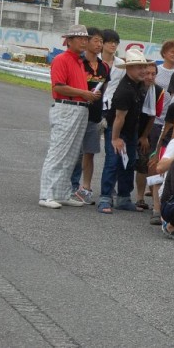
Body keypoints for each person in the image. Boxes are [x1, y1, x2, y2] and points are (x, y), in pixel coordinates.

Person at [39, 25, 99, 210]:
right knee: (58, 152)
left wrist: (86, 94)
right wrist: (84, 93)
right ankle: (47, 194)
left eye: (85, 39)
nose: (83, 41)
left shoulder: (79, 61)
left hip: (80, 107)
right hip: (67, 107)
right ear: (69, 41)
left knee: (72, 155)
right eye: (79, 38)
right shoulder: (61, 59)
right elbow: (58, 86)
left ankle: (62, 193)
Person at [98, 48, 152, 214]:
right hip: (117, 129)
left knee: (128, 164)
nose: (143, 70)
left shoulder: (139, 85)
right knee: (113, 162)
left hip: (131, 130)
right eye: (139, 67)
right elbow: (119, 118)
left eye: (144, 66)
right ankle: (105, 198)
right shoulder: (124, 90)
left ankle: (124, 198)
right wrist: (115, 138)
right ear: (128, 68)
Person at [71, 27, 110, 205]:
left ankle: (86, 188)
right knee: (74, 152)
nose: (99, 44)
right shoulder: (79, 63)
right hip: (77, 112)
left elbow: (105, 89)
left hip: (94, 115)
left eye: (101, 41)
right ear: (86, 42)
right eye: (96, 40)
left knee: (90, 152)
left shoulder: (104, 66)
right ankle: (71, 185)